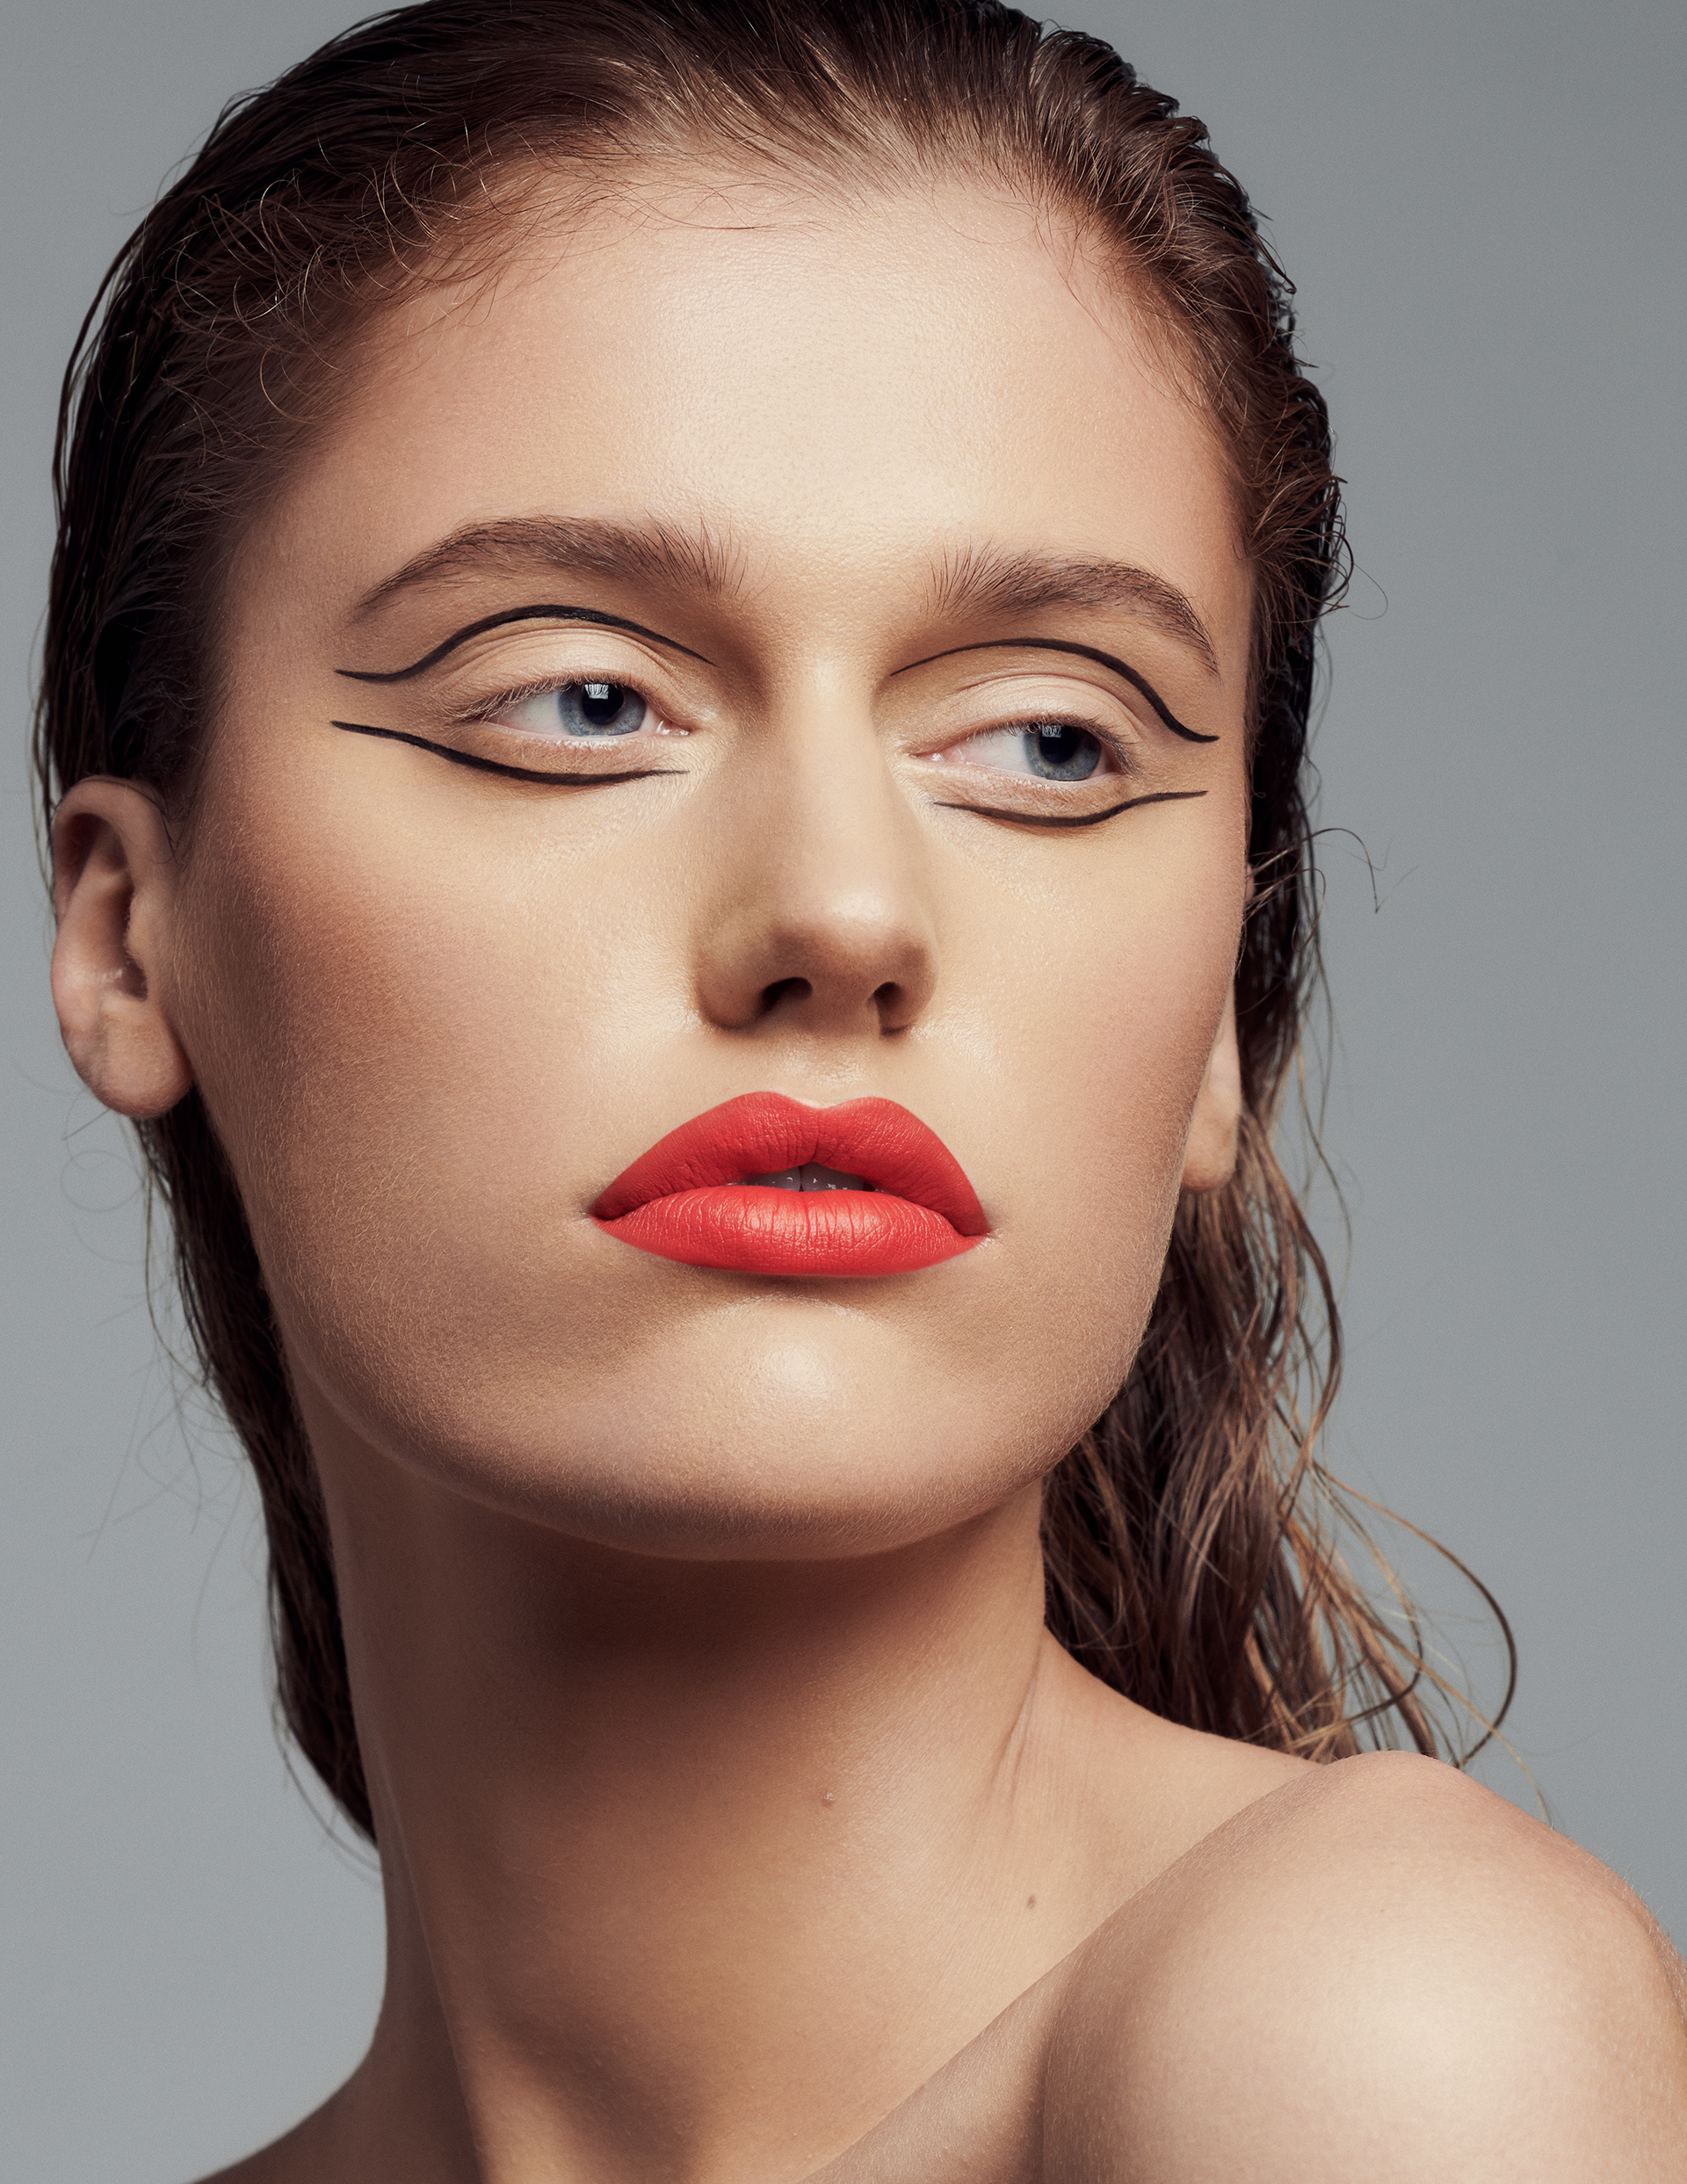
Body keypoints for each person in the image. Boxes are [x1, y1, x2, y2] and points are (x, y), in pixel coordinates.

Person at [37, 2, 1687, 2176]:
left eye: (1051, 740)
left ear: (1220, 1004)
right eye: (582, 698)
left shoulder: (1387, 2025)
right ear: (126, 934)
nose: (838, 910)